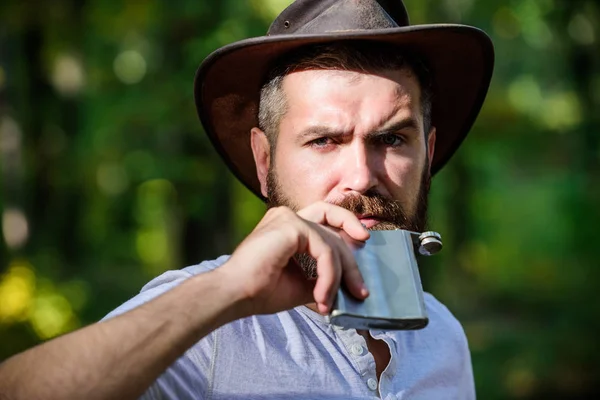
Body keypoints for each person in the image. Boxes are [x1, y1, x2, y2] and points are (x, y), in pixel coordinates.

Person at [0, 0, 494, 399]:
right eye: (324, 140)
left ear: (427, 155)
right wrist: (228, 291)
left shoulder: (445, 338)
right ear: (264, 162)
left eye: (391, 139)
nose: (362, 177)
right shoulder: (208, 323)